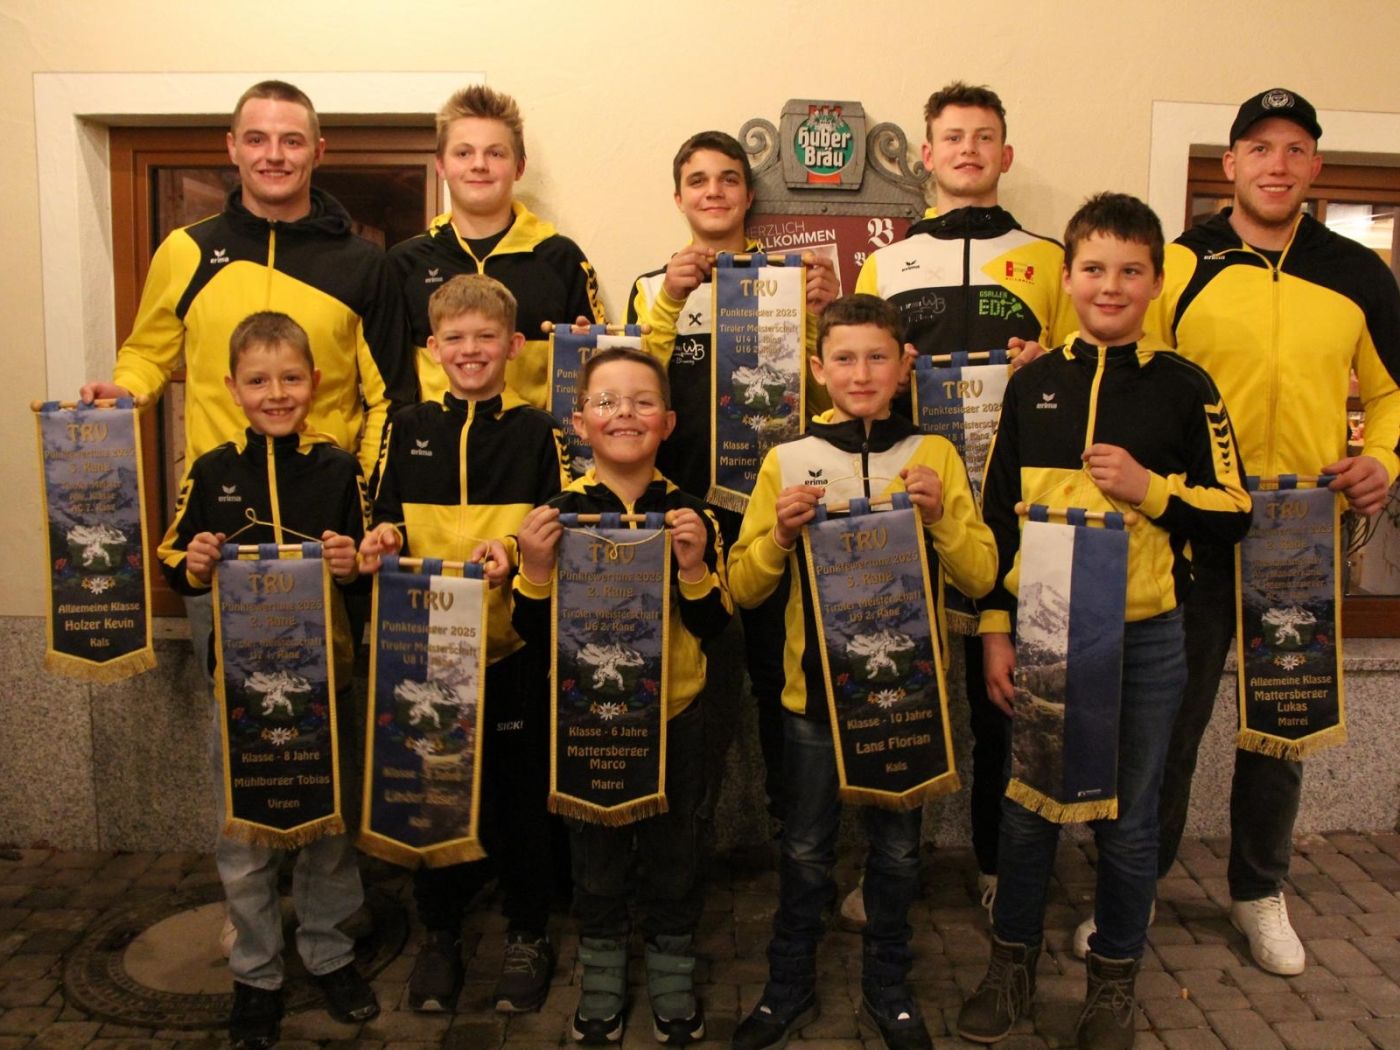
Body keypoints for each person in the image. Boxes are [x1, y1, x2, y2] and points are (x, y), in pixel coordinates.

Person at [957, 193, 1252, 1050]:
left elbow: (1234, 512)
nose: (1110, 285)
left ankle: (1114, 982)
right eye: (1094, 268)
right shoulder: (1033, 384)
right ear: (1068, 277)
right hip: (1044, 632)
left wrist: (1150, 490)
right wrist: (996, 631)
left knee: (1130, 819)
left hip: (1147, 639)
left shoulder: (1187, 388)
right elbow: (996, 524)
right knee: (1028, 811)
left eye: (1130, 270)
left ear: (1156, 282)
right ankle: (1009, 967)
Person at [1135, 88, 1400, 976]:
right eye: (1258, 147)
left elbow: (1393, 392)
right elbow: (1140, 381)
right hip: (1195, 533)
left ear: (1315, 166)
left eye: (1293, 149)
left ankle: (1259, 892)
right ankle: (1135, 890)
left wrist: (1385, 459)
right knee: (1169, 722)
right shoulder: (1180, 264)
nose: (1276, 165)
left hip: (1300, 538)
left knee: (1282, 728)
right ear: (1230, 164)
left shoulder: (1359, 273)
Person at [728, 294, 997, 1050]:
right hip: (814, 700)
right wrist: (779, 538)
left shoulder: (936, 455)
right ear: (818, 370)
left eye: (878, 357)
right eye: (844, 358)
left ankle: (889, 984)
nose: (861, 373)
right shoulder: (787, 459)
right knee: (804, 849)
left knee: (900, 851)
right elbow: (742, 585)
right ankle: (787, 986)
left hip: (904, 700)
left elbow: (981, 575)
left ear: (904, 366)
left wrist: (941, 517)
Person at [851, 83, 1075, 919]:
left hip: (1012, 513)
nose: (969, 149)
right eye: (953, 137)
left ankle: (998, 861)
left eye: (984, 137)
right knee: (897, 690)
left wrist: (1050, 365)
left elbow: (1084, 370)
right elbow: (856, 372)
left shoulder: (1049, 259)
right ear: (928, 155)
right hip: (910, 507)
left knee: (1003, 705)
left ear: (1005, 154)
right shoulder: (887, 263)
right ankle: (887, 870)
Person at [156, 311, 379, 1050]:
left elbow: (366, 577)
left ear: (314, 382)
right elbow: (173, 558)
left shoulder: (341, 470)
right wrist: (194, 565)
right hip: (244, 694)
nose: (275, 394)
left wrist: (351, 567)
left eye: (289, 378)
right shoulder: (211, 470)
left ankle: (330, 953)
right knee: (246, 837)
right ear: (232, 388)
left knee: (328, 829)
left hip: (326, 687)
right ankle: (255, 973)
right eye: (258, 381)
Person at [513, 346, 733, 1045]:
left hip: (674, 717)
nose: (625, 414)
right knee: (596, 859)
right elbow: (530, 630)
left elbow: (715, 626)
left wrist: (694, 568)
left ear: (668, 421)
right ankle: (602, 969)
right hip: (587, 719)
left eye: (643, 402)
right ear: (580, 422)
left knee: (675, 855)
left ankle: (672, 968)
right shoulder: (555, 515)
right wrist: (535, 567)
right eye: (607, 402)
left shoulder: (693, 513)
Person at [358, 274, 566, 1013]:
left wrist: (511, 548)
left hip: (512, 650)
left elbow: (558, 519)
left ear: (514, 346)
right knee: (434, 793)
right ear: (432, 349)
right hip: (427, 651)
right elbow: (382, 513)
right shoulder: (406, 426)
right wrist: (384, 536)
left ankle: (528, 931)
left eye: (485, 337)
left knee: (519, 802)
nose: (470, 350)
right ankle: (440, 933)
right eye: (455, 338)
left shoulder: (540, 431)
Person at [627, 130, 838, 830]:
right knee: (696, 674)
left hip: (776, 507)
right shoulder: (651, 286)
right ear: (678, 197)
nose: (713, 191)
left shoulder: (791, 279)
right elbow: (633, 391)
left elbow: (820, 396)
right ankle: (688, 832)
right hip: (687, 512)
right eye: (698, 180)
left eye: (727, 179)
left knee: (780, 671)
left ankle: (790, 825)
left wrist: (818, 316)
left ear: (749, 195)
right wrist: (669, 301)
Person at [390, 84, 605, 407]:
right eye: (463, 153)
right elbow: (391, 386)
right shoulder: (405, 263)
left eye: (495, 153)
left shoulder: (562, 260)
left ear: (519, 167)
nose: (479, 164)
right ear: (441, 165)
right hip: (432, 440)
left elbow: (599, 378)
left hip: (534, 440)